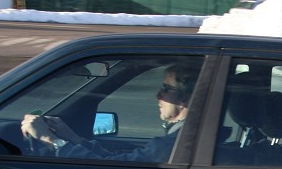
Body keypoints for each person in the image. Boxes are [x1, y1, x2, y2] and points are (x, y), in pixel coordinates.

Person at [20, 63, 199, 163]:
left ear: (187, 98)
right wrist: (73, 138)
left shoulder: (173, 144)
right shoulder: (185, 138)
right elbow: (119, 161)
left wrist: (50, 141)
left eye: (166, 89)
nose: (158, 95)